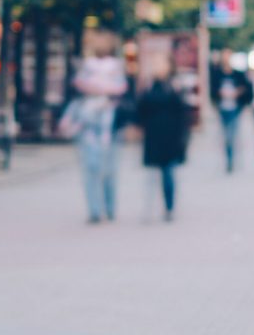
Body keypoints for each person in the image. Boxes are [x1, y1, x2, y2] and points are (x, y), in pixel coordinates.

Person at [61, 32, 127, 223]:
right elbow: (79, 84)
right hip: (88, 122)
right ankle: (96, 210)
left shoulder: (116, 66)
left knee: (108, 169)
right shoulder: (87, 65)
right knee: (91, 167)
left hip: (110, 125)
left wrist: (97, 88)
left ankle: (108, 207)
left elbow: (121, 88)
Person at [137, 57, 190, 222]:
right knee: (152, 174)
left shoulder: (174, 87)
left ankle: (169, 207)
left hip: (170, 135)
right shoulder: (148, 87)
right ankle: (149, 209)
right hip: (154, 135)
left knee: (168, 173)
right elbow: (141, 109)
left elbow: (182, 112)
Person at [210, 50, 252, 173]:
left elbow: (246, 89)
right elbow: (213, 90)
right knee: (225, 136)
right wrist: (219, 94)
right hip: (223, 109)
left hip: (235, 109)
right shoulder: (217, 74)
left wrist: (238, 93)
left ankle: (232, 159)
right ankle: (229, 158)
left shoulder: (238, 74)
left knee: (231, 136)